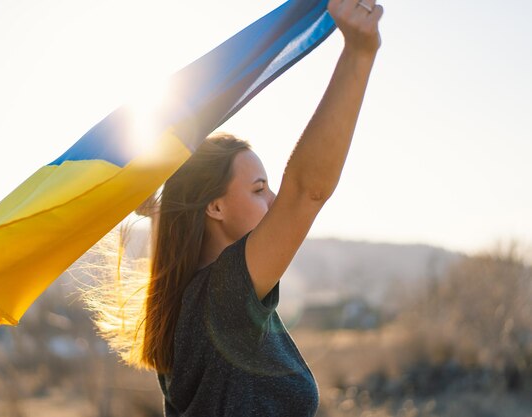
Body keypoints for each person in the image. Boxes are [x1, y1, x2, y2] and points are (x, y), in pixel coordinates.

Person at [91, 0, 383, 415]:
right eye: (259, 188)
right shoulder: (223, 296)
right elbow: (306, 192)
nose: (274, 201)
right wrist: (359, 52)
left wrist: (159, 209)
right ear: (215, 208)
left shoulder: (183, 302)